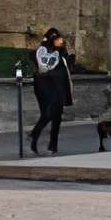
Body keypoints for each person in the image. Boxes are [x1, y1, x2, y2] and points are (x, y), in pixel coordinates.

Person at [26, 29, 75, 157]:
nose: (61, 41)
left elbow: (66, 68)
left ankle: (52, 145)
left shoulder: (61, 52)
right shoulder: (42, 51)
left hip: (59, 88)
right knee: (48, 114)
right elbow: (42, 68)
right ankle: (34, 136)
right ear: (52, 40)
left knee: (57, 117)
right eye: (58, 39)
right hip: (45, 88)